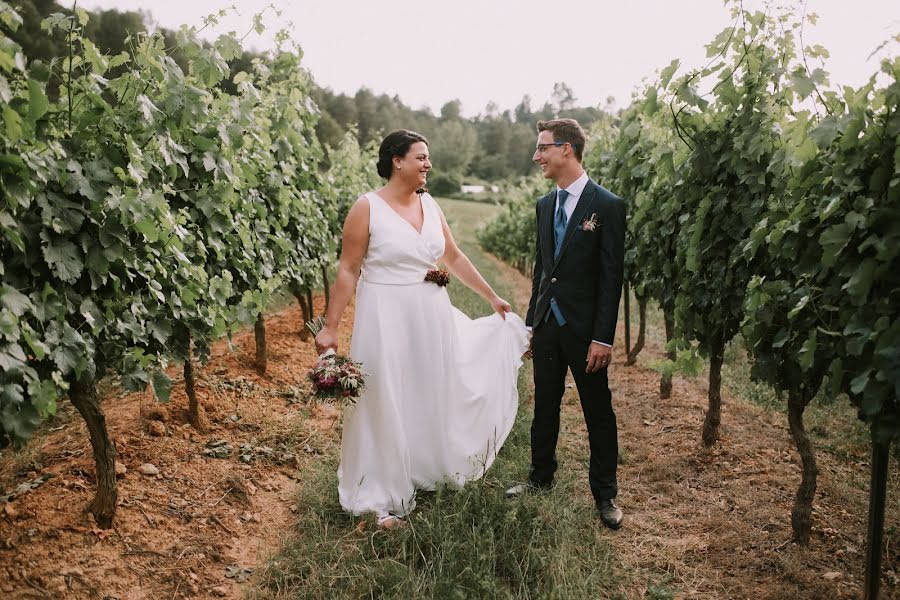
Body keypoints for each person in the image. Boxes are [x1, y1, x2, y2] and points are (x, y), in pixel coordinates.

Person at [315, 129, 529, 528]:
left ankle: (421, 463)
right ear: (397, 161)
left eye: (428, 157)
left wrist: (491, 297)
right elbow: (348, 269)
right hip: (384, 313)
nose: (428, 164)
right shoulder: (367, 207)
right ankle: (378, 488)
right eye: (421, 157)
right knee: (384, 392)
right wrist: (331, 326)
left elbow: (453, 255)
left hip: (430, 310)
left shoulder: (430, 205)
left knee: (430, 386)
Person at [506, 118, 626, 530]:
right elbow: (542, 272)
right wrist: (530, 326)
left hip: (586, 331)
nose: (536, 156)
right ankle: (540, 478)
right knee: (544, 405)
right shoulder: (544, 206)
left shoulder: (607, 206)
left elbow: (612, 278)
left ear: (566, 150)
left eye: (543, 148)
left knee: (598, 411)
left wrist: (602, 338)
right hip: (548, 327)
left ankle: (606, 495)